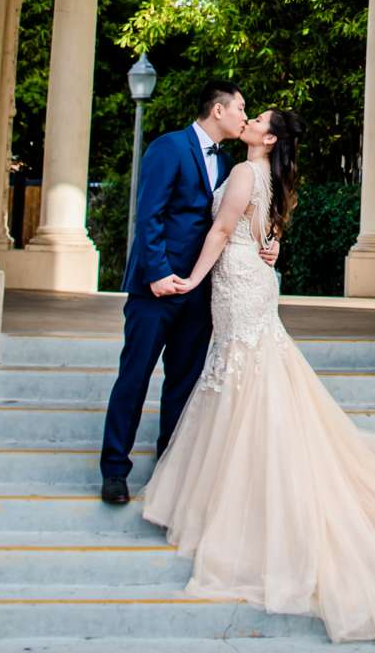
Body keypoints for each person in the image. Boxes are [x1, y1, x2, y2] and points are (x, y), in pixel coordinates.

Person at [144, 107, 375, 644]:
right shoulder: (268, 177)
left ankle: (242, 494)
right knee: (244, 373)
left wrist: (191, 279)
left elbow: (224, 229)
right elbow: (263, 233)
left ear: (268, 138)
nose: (249, 122)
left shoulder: (249, 172)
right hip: (253, 284)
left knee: (240, 374)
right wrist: (268, 249)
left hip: (235, 283)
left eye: (258, 120)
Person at [98, 80, 274, 503]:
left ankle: (167, 472)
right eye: (241, 108)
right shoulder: (169, 147)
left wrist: (270, 241)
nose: (244, 116)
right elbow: (149, 214)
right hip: (156, 289)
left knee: (183, 383)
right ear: (218, 110)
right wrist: (158, 273)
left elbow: (236, 220)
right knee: (134, 376)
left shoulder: (233, 162)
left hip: (201, 292)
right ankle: (114, 470)